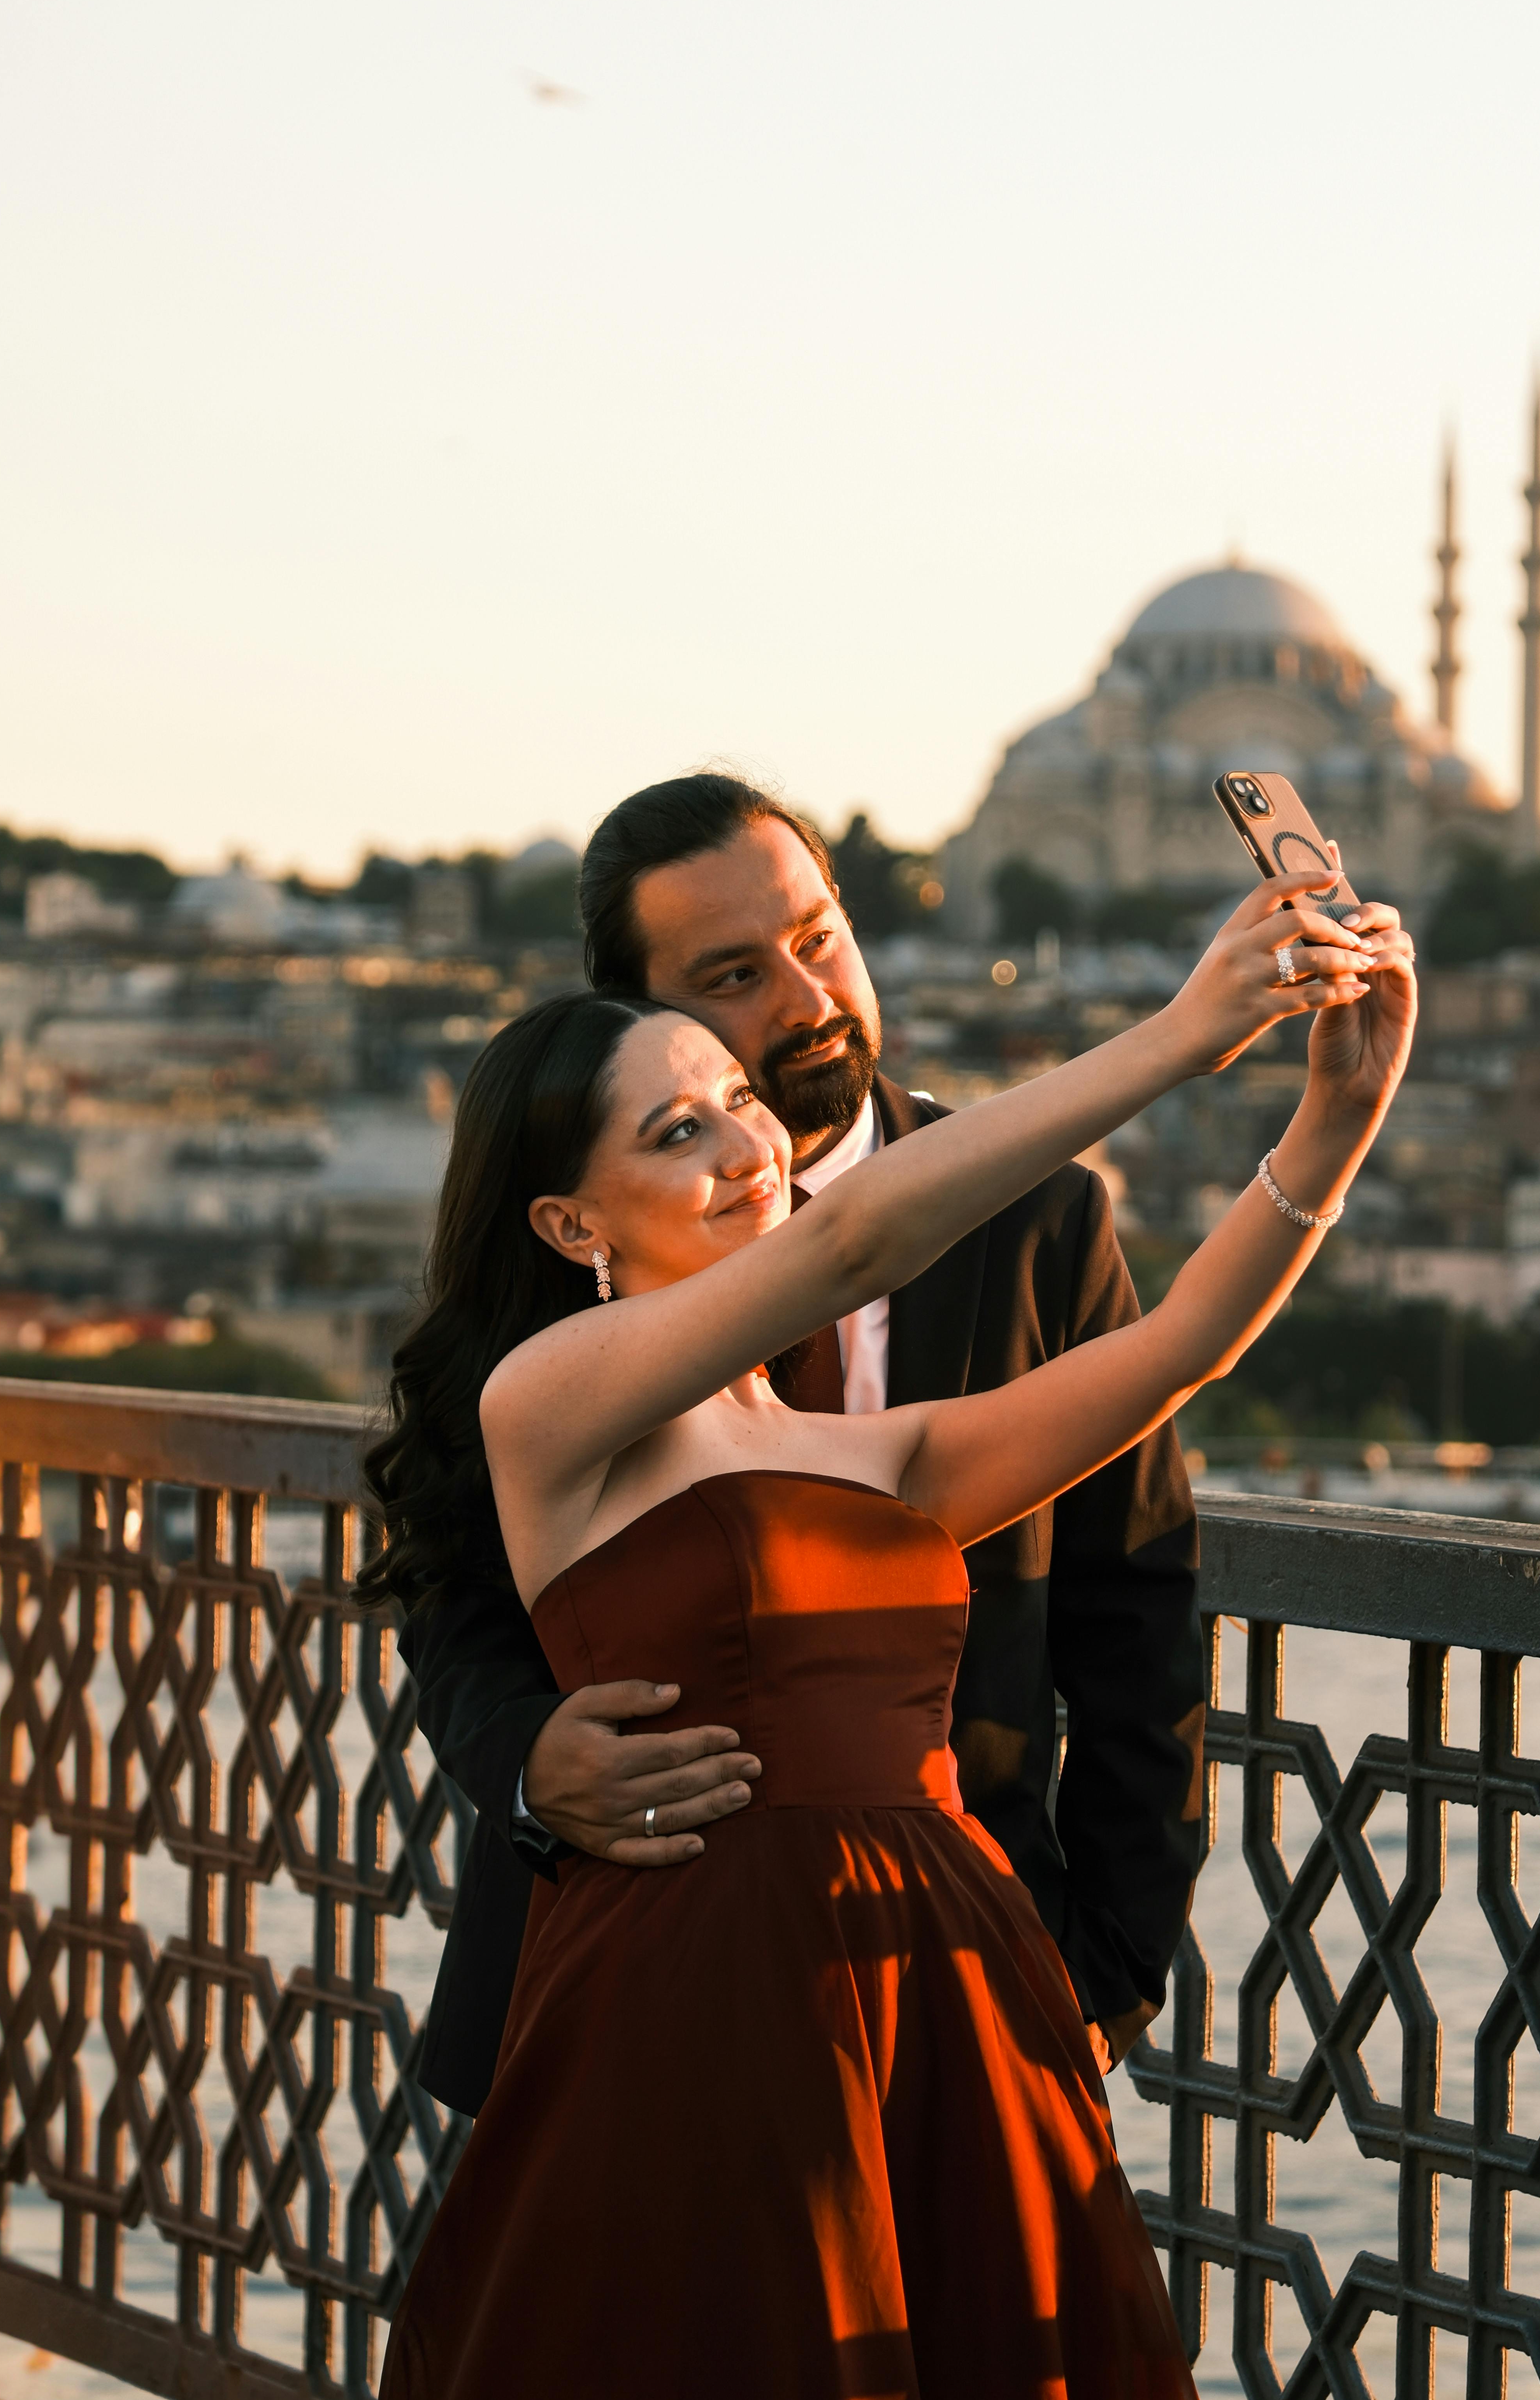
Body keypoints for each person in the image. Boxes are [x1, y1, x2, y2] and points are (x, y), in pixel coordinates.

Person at [364, 867, 1415, 2400]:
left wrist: (1336, 1117)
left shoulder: (867, 1456)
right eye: (677, 1133)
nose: (748, 1147)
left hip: (941, 1978)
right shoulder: (546, 1405)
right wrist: (1182, 1036)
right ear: (567, 1222)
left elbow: (1176, 1346)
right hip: (701, 1996)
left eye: (737, 1104)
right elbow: (848, 1249)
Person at [402, 776, 1213, 2110]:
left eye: (818, 937)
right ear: (638, 1011)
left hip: (959, 1966)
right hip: (627, 1963)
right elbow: (453, 1583)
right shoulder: (567, 1279)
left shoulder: (1042, 1222)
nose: (805, 998)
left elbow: (1137, 1611)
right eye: (734, 972)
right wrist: (532, 1764)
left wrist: (1105, 1974)